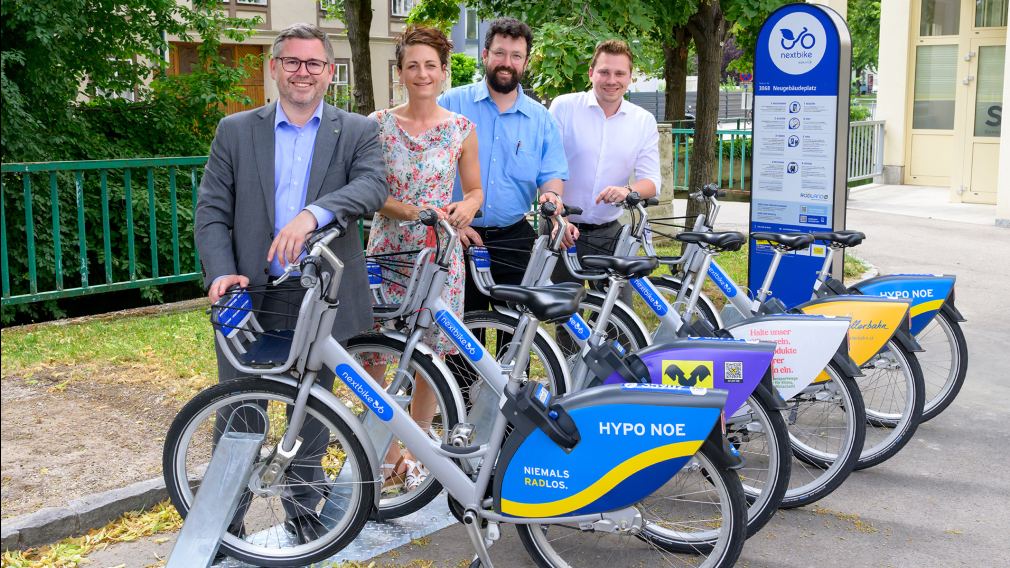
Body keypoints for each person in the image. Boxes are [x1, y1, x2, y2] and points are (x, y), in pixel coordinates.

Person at [195, 23, 387, 546]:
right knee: (241, 408)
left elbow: (372, 186)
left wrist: (311, 214)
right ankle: (223, 524)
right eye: (293, 62)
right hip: (249, 292)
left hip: (320, 292)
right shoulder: (236, 130)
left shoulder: (356, 131)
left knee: (314, 410)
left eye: (314, 63)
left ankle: (303, 516)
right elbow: (211, 211)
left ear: (328, 72)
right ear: (275, 67)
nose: (303, 72)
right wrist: (220, 271)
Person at [362, 25, 482, 493]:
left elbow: (474, 190)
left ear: (443, 70)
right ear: (400, 72)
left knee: (430, 353)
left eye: (430, 65)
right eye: (412, 65)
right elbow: (371, 191)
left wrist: (467, 208)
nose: (422, 73)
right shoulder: (376, 125)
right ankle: (386, 453)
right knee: (375, 352)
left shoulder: (461, 129)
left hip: (439, 254)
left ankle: (416, 449)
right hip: (388, 250)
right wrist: (409, 211)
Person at [438, 17, 570, 313]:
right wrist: (451, 223)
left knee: (515, 330)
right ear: (485, 55)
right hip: (457, 236)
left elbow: (551, 174)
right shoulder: (450, 105)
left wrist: (552, 195)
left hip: (514, 241)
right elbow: (430, 171)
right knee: (461, 331)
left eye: (516, 56)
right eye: (499, 53)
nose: (507, 63)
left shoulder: (541, 119)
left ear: (526, 62)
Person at [548, 39, 661, 289]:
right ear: (591, 73)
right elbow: (546, 167)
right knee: (564, 310)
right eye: (604, 72)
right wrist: (557, 219)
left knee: (617, 312)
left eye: (620, 73)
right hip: (561, 228)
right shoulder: (564, 107)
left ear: (630, 77)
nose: (612, 80)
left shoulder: (643, 121)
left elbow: (652, 182)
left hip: (609, 234)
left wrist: (627, 191)